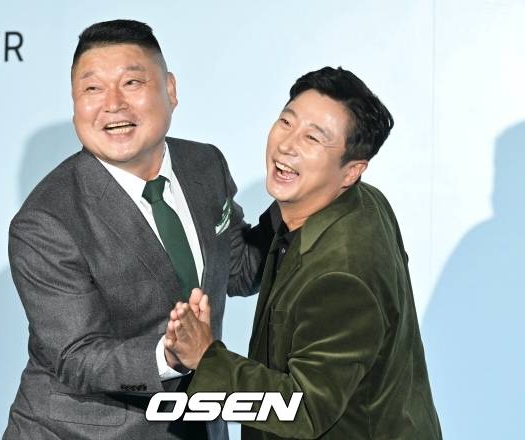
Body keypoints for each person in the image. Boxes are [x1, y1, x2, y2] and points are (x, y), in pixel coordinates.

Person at [3, 19, 275, 440]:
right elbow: (77, 357)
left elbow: (237, 269)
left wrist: (299, 202)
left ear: (171, 90)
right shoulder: (45, 221)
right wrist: (169, 355)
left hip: (197, 425)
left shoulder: (205, 165)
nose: (112, 104)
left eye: (132, 82)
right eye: (92, 89)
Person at [165, 67, 443, 439]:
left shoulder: (342, 274)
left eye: (313, 137)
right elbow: (247, 262)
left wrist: (206, 357)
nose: (287, 145)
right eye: (286, 122)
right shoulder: (354, 200)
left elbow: (306, 408)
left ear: (351, 171)